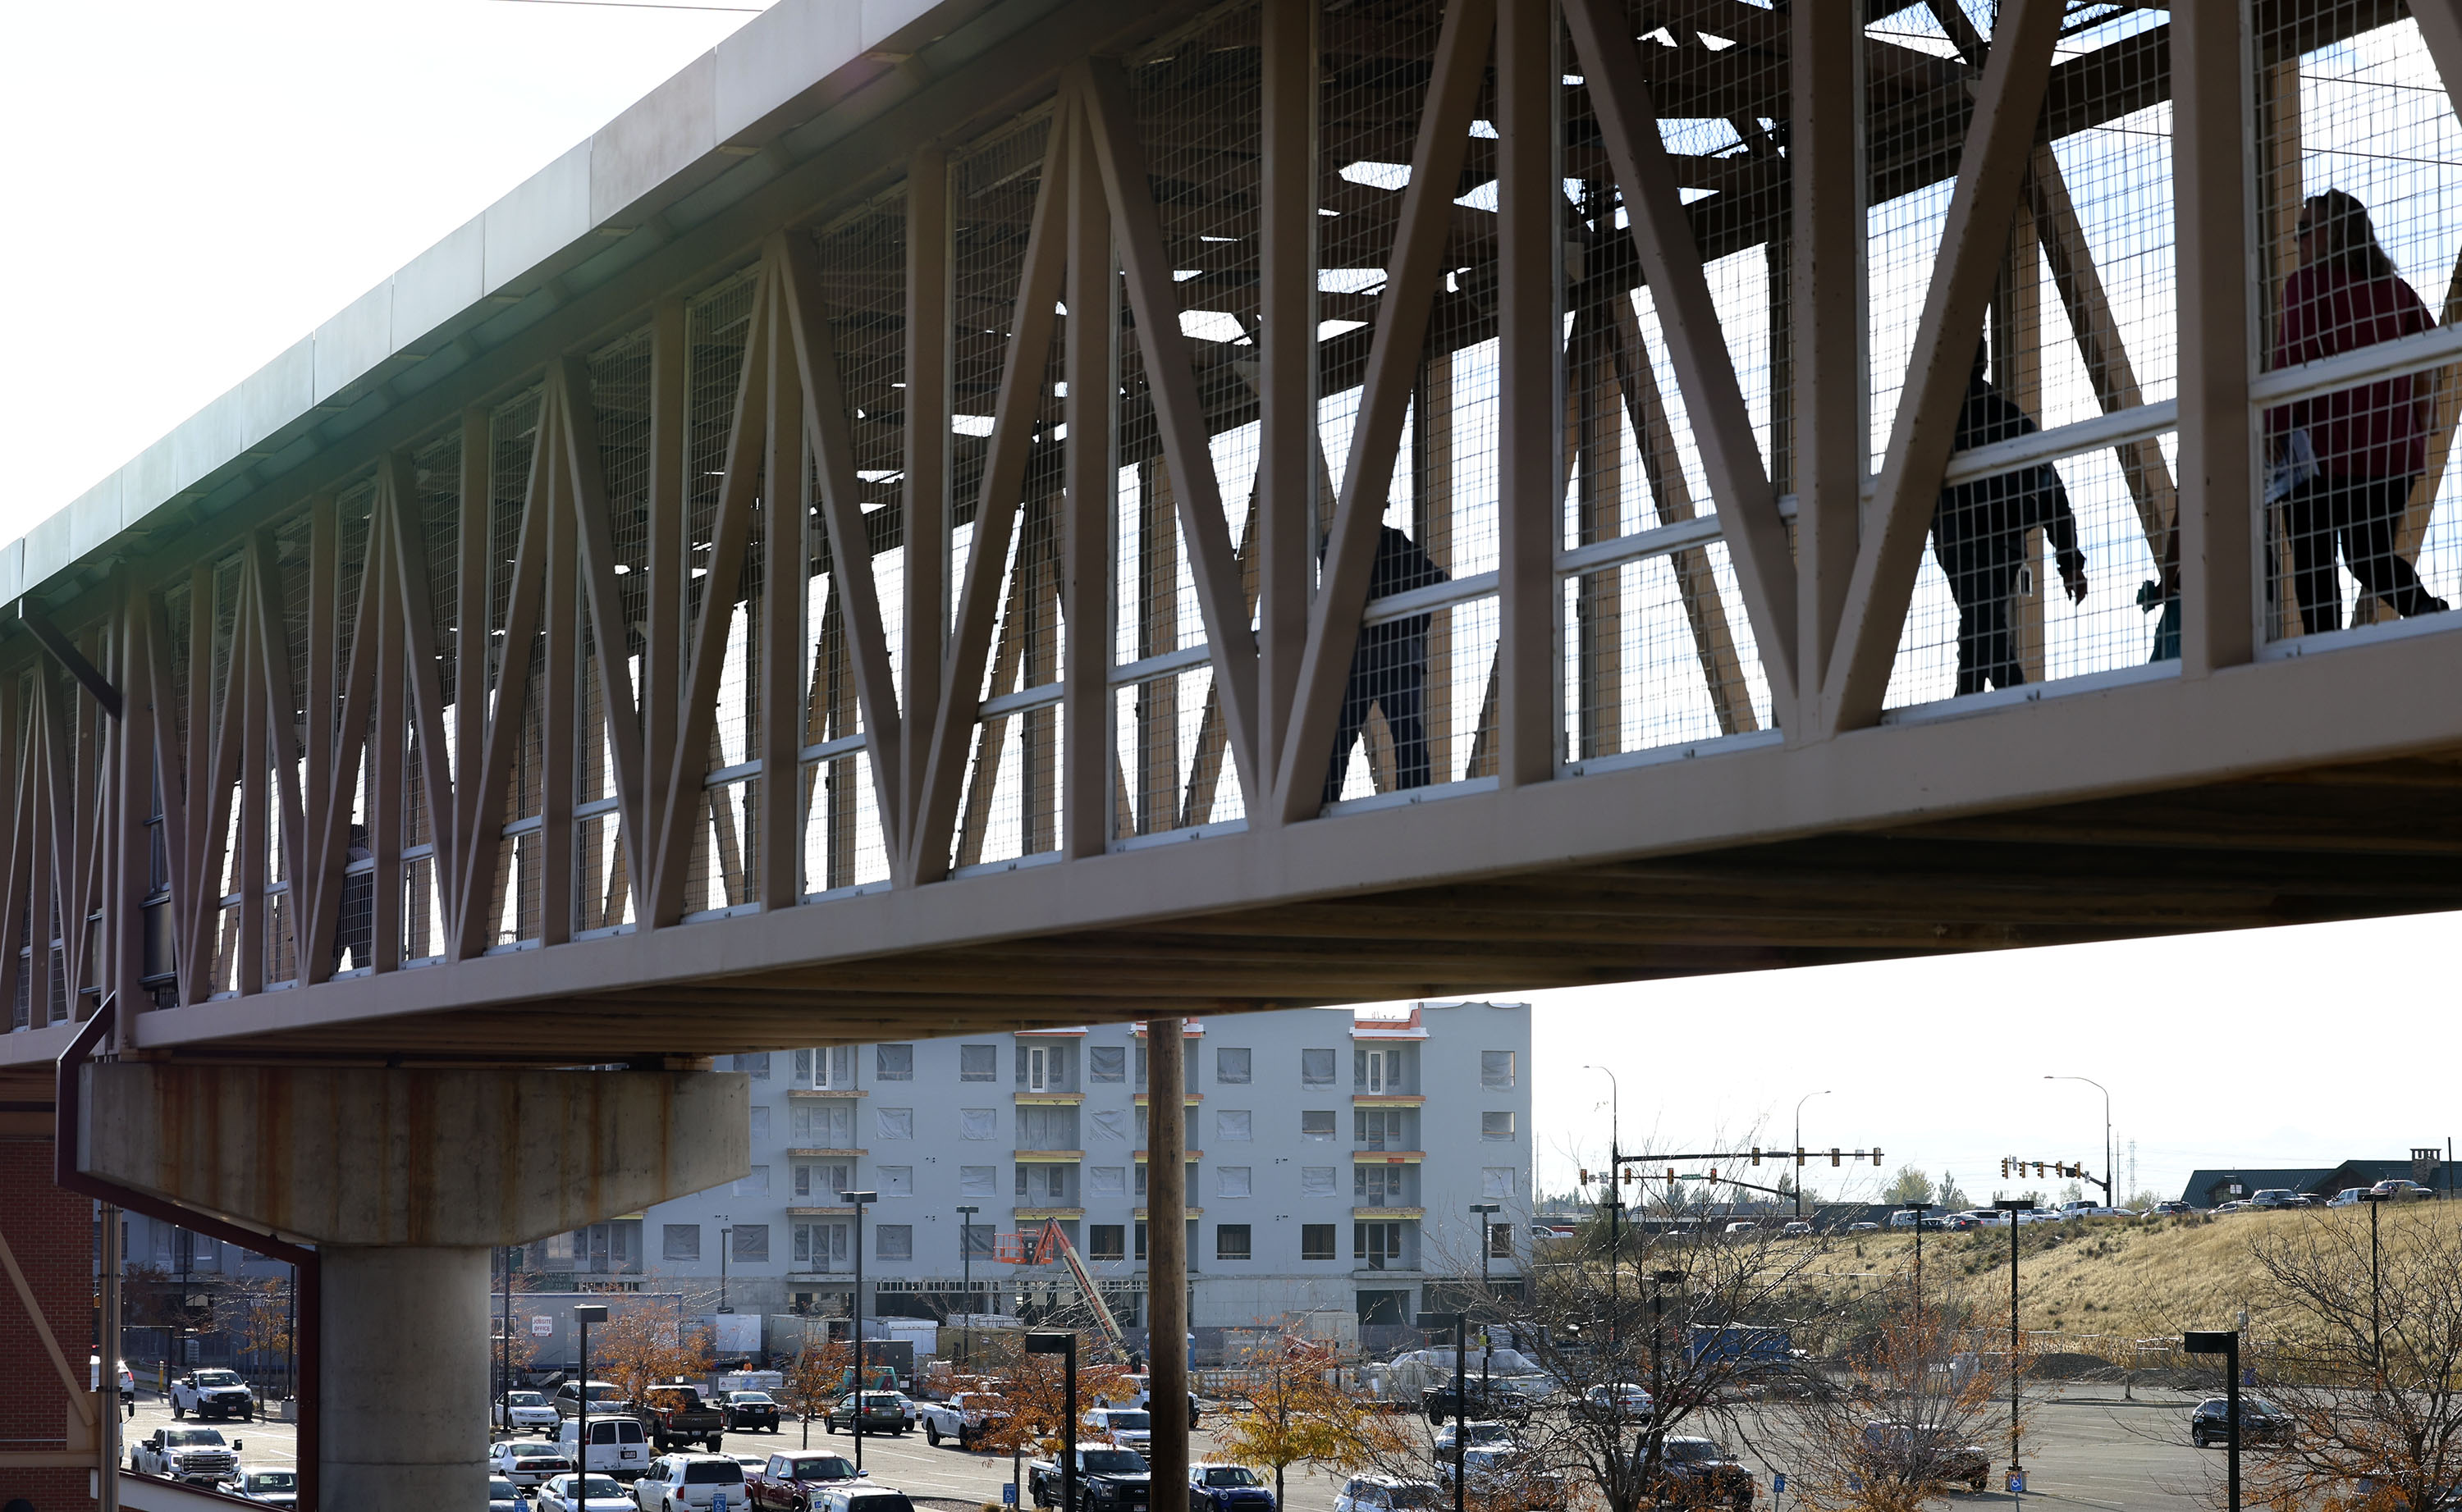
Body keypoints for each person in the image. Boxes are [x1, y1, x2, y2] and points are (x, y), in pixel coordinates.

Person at [2269, 189, 2451, 632]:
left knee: (2314, 563)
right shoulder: (2398, 292)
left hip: (2324, 453)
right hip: (2390, 454)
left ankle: (2322, 656)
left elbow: (2291, 359)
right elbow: (2433, 352)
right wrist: (2421, 422)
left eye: (2306, 230)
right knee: (2368, 555)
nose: (2299, 241)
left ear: (2332, 233)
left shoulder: (2306, 284)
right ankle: (2425, 609)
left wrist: (2272, 433)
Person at [1932, 346, 2087, 694]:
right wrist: (2071, 563)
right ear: (1984, 363)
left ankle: (2020, 706)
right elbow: (2053, 492)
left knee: (1984, 628)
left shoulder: (1939, 424)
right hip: (2007, 546)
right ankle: (1968, 703)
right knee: (1981, 624)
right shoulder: (2011, 418)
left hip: (1962, 539)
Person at [1323, 525, 1448, 804]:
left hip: (1361, 658)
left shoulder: (1341, 544)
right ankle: (1414, 794)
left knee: (1341, 735)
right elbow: (1440, 579)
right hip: (1403, 656)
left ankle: (1326, 800)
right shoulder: (1403, 548)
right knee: (1407, 731)